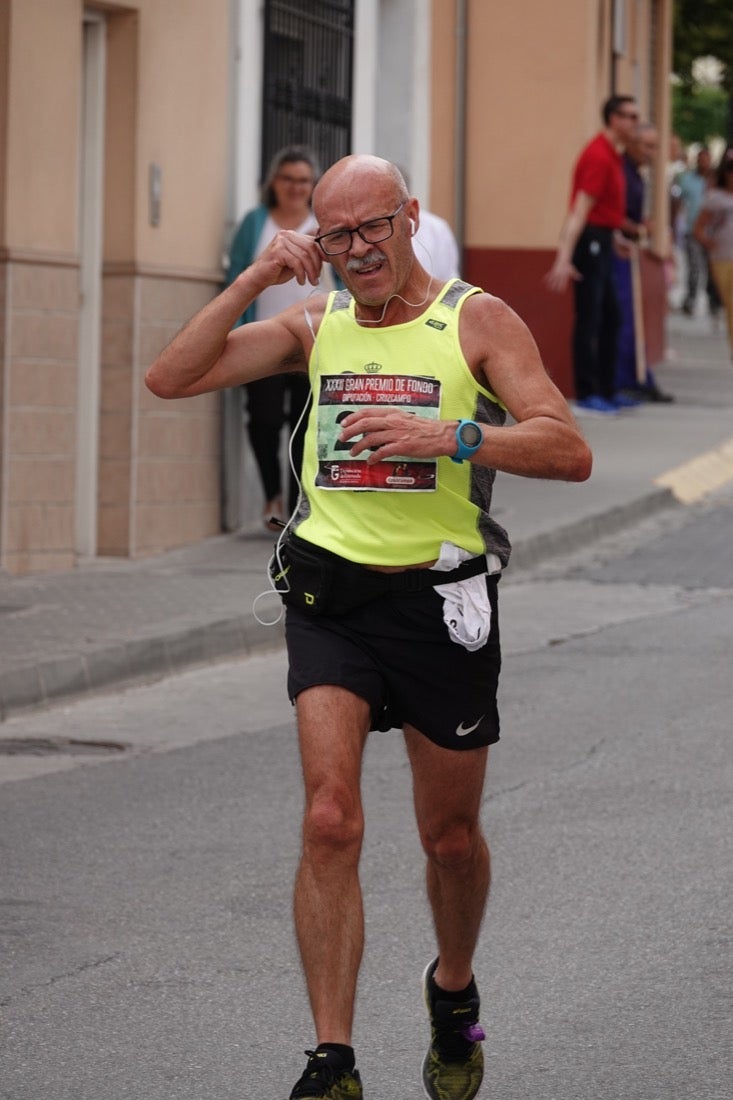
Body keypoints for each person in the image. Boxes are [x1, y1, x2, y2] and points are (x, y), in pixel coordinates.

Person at [145, 154, 592, 1100]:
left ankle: (452, 990)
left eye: (372, 227)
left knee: (449, 839)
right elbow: (170, 377)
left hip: (441, 601)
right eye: (335, 235)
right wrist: (257, 277)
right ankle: (332, 1059)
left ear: (409, 217)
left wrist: (455, 435)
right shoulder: (316, 324)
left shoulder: (475, 321)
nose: (356, 251)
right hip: (331, 597)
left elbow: (567, 448)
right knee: (329, 818)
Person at [226, 145, 321, 530]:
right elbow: (237, 274)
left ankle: (296, 510)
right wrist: (233, 332)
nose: (295, 187)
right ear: (274, 183)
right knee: (263, 421)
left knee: (304, 429)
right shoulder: (255, 222)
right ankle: (271, 495)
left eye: (303, 180)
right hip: (262, 340)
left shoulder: (321, 222)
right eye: (288, 179)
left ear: (312, 185)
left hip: (313, 343)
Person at [545, 94, 640, 415]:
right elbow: (581, 209)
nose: (635, 123)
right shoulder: (599, 155)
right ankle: (587, 393)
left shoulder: (614, 154)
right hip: (590, 241)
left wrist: (614, 237)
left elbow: (602, 210)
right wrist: (565, 256)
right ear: (614, 119)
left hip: (602, 239)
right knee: (591, 317)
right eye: (630, 116)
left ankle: (607, 389)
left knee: (611, 317)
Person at [612, 124, 675, 404]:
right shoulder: (620, 171)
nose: (651, 152)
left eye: (655, 146)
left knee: (632, 319)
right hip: (618, 251)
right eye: (647, 146)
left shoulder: (636, 173)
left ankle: (638, 377)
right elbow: (611, 213)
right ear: (632, 144)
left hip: (631, 251)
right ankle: (624, 380)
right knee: (624, 319)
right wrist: (637, 229)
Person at [695, 148, 733, 361]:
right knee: (730, 302)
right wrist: (707, 242)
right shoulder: (715, 199)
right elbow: (698, 228)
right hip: (722, 258)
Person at [677, 147, 722, 320]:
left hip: (713, 232)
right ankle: (691, 300)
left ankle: (714, 302)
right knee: (694, 267)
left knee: (712, 269)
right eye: (701, 159)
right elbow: (679, 202)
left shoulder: (717, 180)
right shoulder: (687, 179)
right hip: (693, 230)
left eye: (707, 159)